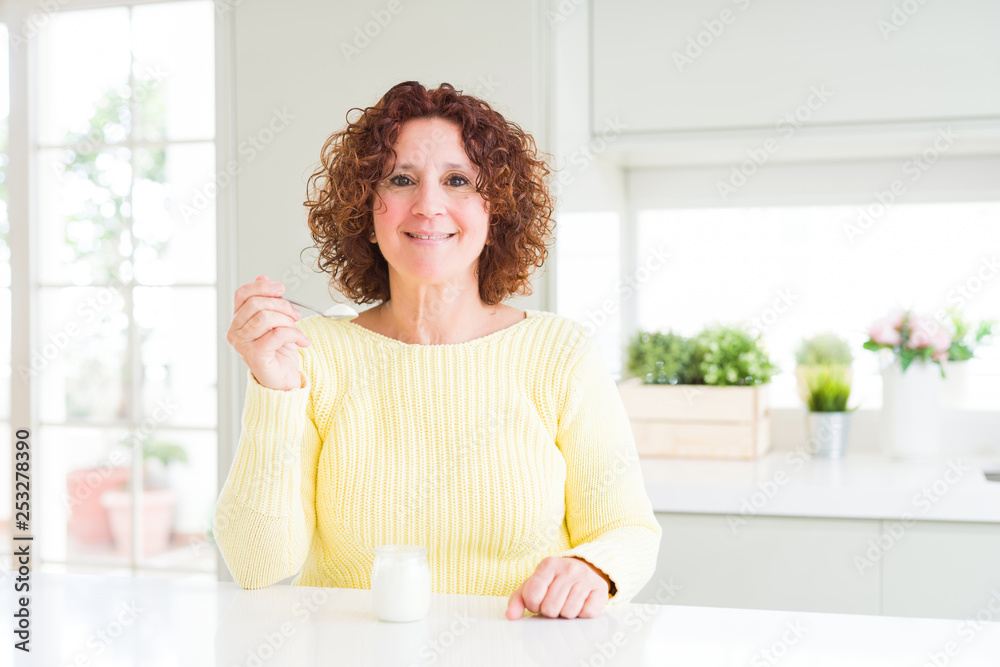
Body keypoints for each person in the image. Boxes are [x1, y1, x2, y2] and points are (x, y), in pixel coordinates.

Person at [216, 81, 661, 620]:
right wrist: (274, 390)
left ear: (497, 209)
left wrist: (593, 567)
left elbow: (629, 529)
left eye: (457, 181)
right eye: (401, 179)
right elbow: (257, 564)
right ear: (366, 210)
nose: (428, 206)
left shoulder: (558, 352)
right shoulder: (312, 354)